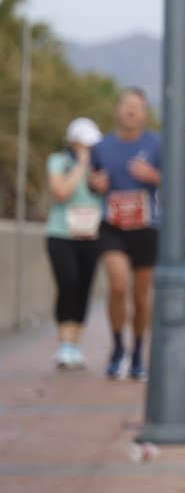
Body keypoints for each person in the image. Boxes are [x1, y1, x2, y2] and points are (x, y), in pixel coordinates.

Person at [88, 88, 162, 382]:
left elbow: (177, 180)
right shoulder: (102, 147)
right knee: (118, 286)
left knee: (141, 298)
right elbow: (93, 181)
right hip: (113, 226)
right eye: (127, 106)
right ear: (118, 110)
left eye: (137, 107)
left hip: (145, 226)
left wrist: (153, 177)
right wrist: (96, 184)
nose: (131, 111)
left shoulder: (157, 144)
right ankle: (118, 346)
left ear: (144, 114)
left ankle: (138, 353)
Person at [45, 118, 104, 370]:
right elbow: (60, 192)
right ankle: (64, 344)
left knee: (83, 287)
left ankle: (75, 343)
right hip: (61, 234)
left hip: (90, 236)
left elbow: (103, 189)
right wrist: (79, 165)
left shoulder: (99, 166)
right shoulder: (59, 162)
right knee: (67, 283)